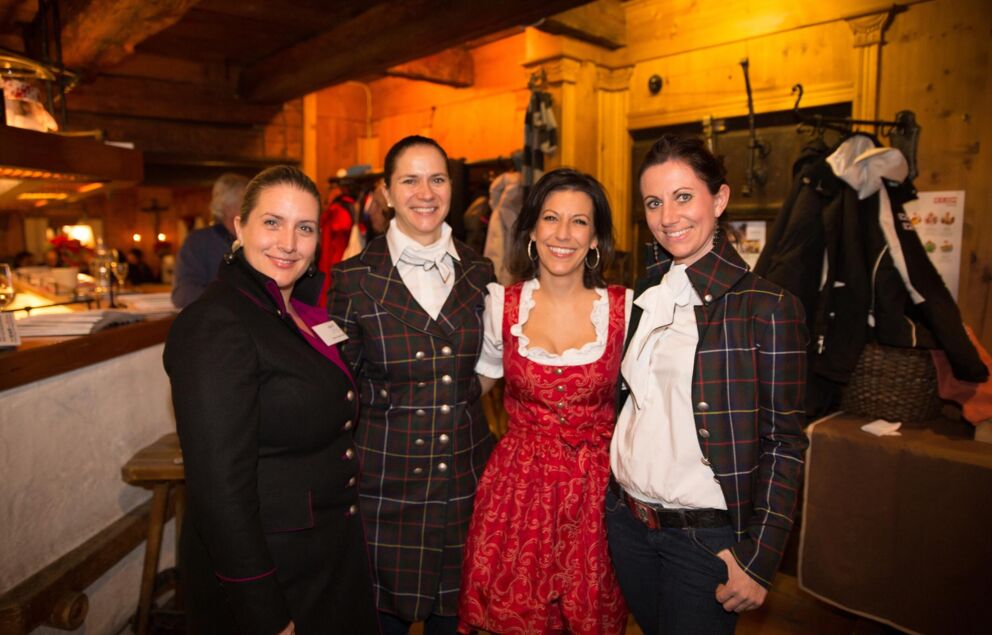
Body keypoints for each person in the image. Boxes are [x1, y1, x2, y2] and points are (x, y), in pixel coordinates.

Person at [606, 134, 809, 635]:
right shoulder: (648, 298)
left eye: (683, 196)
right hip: (628, 524)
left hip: (704, 538)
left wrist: (760, 556)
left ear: (718, 199)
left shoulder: (767, 308)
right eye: (654, 202)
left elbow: (785, 443)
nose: (667, 217)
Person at [163, 166, 378, 635]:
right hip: (272, 575)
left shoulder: (298, 310)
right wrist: (264, 610)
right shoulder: (215, 323)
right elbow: (219, 492)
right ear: (239, 227)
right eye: (272, 222)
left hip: (325, 558)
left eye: (304, 228)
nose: (288, 242)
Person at [328, 135, 495, 635]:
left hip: (463, 489)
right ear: (386, 192)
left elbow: (487, 371)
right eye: (410, 179)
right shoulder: (351, 279)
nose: (426, 192)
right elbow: (340, 392)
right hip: (383, 490)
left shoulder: (482, 272)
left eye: (437, 179)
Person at [458, 168, 630, 635]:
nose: (563, 234)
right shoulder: (501, 305)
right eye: (551, 218)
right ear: (532, 228)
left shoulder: (625, 309)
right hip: (517, 495)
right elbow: (474, 387)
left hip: (596, 497)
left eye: (579, 222)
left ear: (595, 238)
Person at [171, 172, 248, 308]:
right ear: (228, 208)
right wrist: (233, 301)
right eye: (247, 202)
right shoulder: (198, 242)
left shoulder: (257, 240)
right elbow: (182, 293)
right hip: (217, 323)